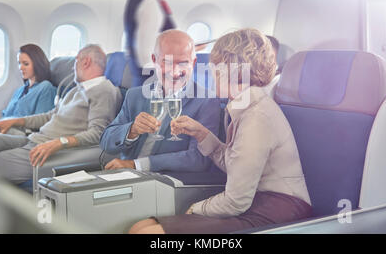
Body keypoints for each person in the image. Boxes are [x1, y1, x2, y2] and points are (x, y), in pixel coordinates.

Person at [129, 28, 312, 234]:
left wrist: (195, 209)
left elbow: (236, 202)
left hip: (277, 209)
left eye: (215, 67)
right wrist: (201, 134)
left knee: (145, 233)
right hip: (254, 200)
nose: (211, 73)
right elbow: (234, 165)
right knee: (140, 227)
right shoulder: (241, 106)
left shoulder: (257, 117)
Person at [0, 44, 122, 185]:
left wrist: (60, 142)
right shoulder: (77, 90)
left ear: (86, 62)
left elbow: (99, 133)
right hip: (33, 140)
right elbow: (49, 116)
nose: (73, 68)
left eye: (76, 61)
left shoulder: (104, 90)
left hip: (48, 151)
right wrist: (15, 121)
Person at [99, 30, 220, 173]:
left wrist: (136, 165)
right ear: (154, 60)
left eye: (183, 63)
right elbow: (106, 142)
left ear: (193, 63)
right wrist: (132, 130)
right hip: (124, 175)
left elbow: (198, 159)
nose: (175, 72)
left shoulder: (206, 101)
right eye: (167, 62)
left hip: (166, 182)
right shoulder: (135, 95)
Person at [2, 44, 56, 118]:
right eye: (19, 63)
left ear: (37, 64)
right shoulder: (20, 91)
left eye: (26, 64)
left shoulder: (45, 88)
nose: (20, 68)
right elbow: (5, 115)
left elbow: (41, 121)